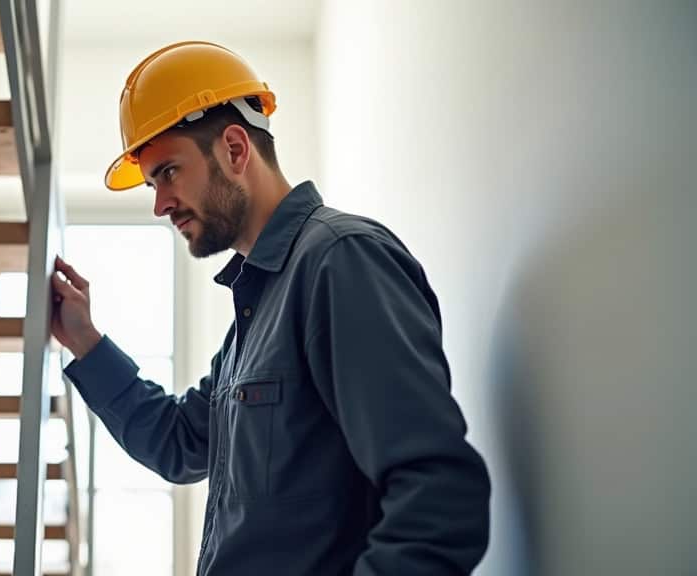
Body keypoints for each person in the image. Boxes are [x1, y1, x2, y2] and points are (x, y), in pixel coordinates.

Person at [49, 41, 490, 575]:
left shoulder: (340, 261)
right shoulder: (257, 311)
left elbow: (438, 498)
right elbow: (180, 442)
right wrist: (84, 341)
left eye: (168, 172)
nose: (160, 204)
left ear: (235, 149)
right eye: (152, 183)